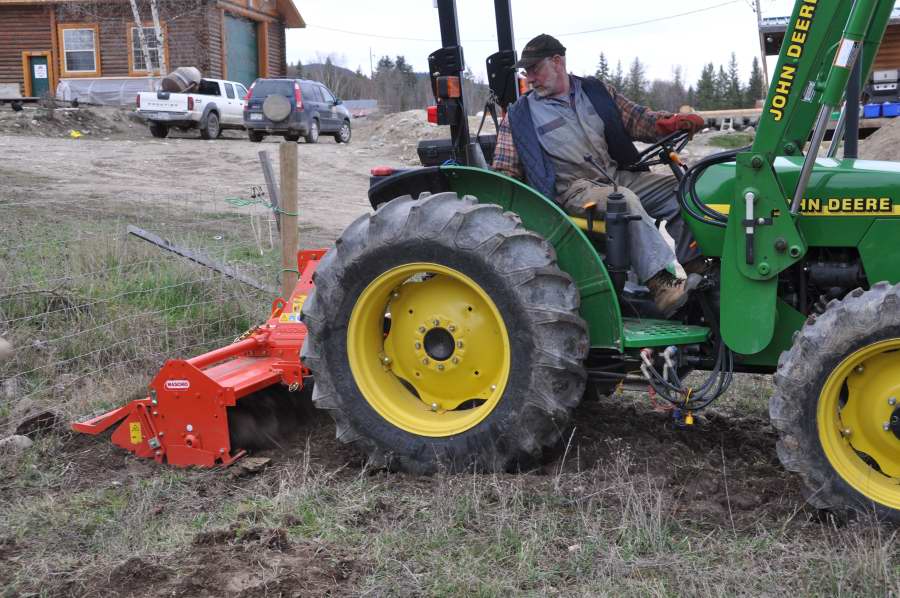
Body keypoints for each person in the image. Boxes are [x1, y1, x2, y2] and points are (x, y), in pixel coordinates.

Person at [492, 34, 709, 317]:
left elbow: (639, 120)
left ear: (557, 62)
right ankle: (664, 284)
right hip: (573, 192)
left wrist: (672, 123)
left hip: (614, 176)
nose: (529, 78)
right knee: (624, 202)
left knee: (683, 189)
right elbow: (503, 173)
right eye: (526, 71)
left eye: (534, 69)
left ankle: (697, 267)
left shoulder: (595, 91)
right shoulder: (520, 115)